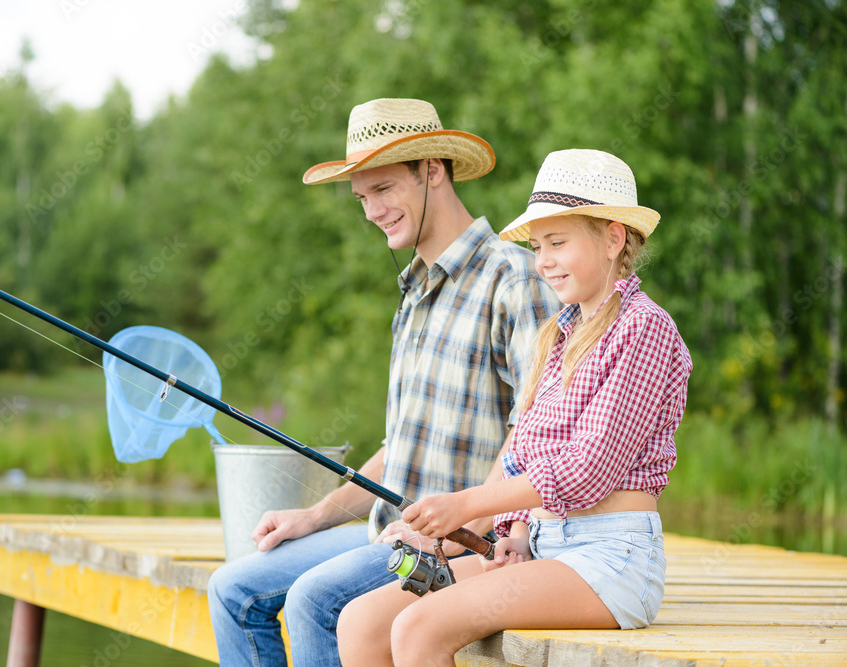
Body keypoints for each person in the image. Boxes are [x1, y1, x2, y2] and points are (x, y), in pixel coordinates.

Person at [207, 98, 560, 666]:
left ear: (433, 171)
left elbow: (534, 435)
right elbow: (399, 450)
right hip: (389, 532)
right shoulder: (413, 294)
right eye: (362, 196)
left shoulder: (512, 276)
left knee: (314, 601)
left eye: (385, 188)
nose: (372, 210)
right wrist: (316, 514)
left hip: (460, 546)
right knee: (232, 590)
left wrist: (453, 532)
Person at [336, 148, 694, 667]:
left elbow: (587, 469)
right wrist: (516, 532)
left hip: (611, 561)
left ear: (613, 238)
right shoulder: (558, 333)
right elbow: (527, 450)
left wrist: (467, 505)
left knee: (419, 626)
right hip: (545, 548)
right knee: (363, 623)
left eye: (557, 242)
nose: (542, 260)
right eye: (537, 245)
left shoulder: (644, 328)